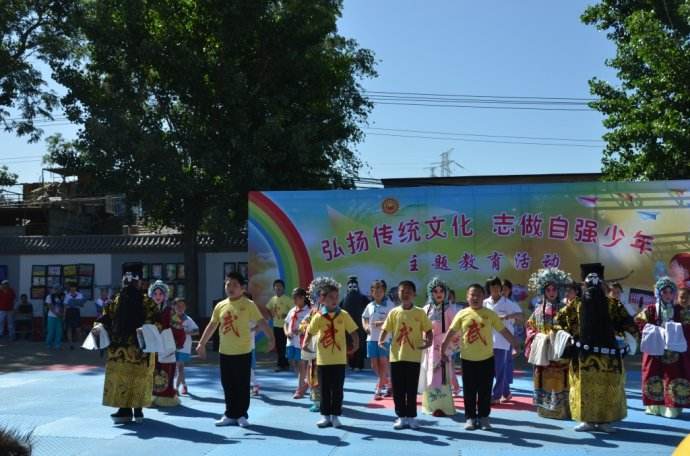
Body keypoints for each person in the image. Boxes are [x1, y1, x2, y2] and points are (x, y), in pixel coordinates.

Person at [556, 272, 638, 432]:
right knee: (583, 389)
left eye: (596, 286)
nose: (592, 289)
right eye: (589, 286)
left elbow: (628, 324)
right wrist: (567, 338)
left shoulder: (613, 304)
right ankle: (586, 420)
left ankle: (606, 421)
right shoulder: (576, 305)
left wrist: (627, 340)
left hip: (610, 357)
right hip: (583, 357)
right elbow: (559, 322)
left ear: (602, 287)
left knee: (609, 388)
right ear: (584, 287)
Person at [196, 272, 275, 428]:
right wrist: (201, 343)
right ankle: (229, 414)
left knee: (242, 384)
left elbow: (262, 321)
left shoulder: (248, 305)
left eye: (234, 285)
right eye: (228, 284)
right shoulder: (220, 305)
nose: (230, 288)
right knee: (228, 384)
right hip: (225, 352)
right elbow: (212, 325)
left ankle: (241, 414)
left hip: (243, 352)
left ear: (242, 288)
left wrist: (271, 338)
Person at [442, 284, 520, 431]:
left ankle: (484, 417)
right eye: (472, 295)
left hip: (486, 359)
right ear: (467, 297)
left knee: (485, 390)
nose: (475, 297)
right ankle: (470, 418)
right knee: (470, 391)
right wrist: (443, 350)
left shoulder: (490, 314)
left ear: (483, 297)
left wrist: (515, 344)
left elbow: (503, 331)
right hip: (467, 360)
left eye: (478, 294)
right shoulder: (462, 313)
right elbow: (451, 332)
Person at [94, 263, 160, 424]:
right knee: (128, 377)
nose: (129, 283)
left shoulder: (119, 300)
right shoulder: (129, 301)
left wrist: (100, 325)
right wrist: (99, 328)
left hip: (129, 348)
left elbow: (155, 322)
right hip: (127, 348)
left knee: (131, 377)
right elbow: (105, 319)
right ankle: (129, 410)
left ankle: (133, 410)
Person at [302, 277, 359, 428]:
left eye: (336, 297)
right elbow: (309, 332)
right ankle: (325, 415)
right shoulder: (319, 316)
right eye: (330, 297)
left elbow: (353, 331)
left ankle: (335, 416)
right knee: (324, 389)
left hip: (339, 360)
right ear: (323, 299)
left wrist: (356, 343)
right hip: (323, 360)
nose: (334, 300)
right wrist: (305, 344)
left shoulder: (343, 315)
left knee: (338, 389)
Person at [379, 280, 432, 430]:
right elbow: (385, 328)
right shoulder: (394, 312)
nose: (406, 294)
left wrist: (428, 342)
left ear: (414, 294)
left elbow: (428, 330)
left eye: (409, 291)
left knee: (411, 388)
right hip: (396, 357)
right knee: (398, 389)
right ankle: (401, 417)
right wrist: (381, 340)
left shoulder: (420, 312)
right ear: (398, 293)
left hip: (414, 356)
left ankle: (412, 417)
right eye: (403, 291)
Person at [635, 277, 689, 419]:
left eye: (671, 292)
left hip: (673, 352)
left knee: (672, 377)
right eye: (664, 292)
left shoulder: (679, 310)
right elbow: (639, 322)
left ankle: (672, 408)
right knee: (654, 376)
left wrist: (674, 329)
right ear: (659, 293)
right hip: (655, 350)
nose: (668, 295)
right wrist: (657, 331)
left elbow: (688, 326)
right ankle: (654, 407)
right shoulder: (651, 309)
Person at [525, 268, 573, 420]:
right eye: (548, 290)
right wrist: (538, 337)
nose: (551, 292)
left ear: (558, 291)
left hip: (560, 352)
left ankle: (562, 409)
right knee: (545, 378)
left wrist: (563, 339)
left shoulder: (566, 309)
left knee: (561, 379)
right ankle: (545, 409)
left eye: (554, 289)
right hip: (544, 351)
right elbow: (530, 326)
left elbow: (572, 327)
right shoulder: (538, 310)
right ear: (544, 291)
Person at [419, 277, 456, 417]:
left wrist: (450, 345)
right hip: (429, 347)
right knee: (429, 373)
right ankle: (430, 406)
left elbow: (456, 329)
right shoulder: (425, 309)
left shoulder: (450, 309)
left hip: (443, 346)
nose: (439, 293)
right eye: (435, 291)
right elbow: (421, 328)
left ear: (446, 292)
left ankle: (444, 407)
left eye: (441, 290)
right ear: (430, 293)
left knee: (443, 375)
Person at [483, 276, 523, 404]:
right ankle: (506, 392)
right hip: (486, 340)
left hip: (503, 340)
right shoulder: (484, 303)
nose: (495, 289)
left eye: (497, 286)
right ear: (488, 288)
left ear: (501, 288)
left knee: (499, 369)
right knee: (490, 369)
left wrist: (508, 316)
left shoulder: (508, 303)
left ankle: (496, 396)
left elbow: (521, 316)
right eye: (492, 286)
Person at [362, 279, 395, 400]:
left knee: (383, 362)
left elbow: (393, 320)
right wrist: (366, 326)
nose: (377, 293)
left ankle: (379, 389)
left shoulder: (390, 305)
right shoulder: (370, 305)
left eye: (380, 291)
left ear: (384, 291)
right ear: (371, 292)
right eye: (375, 291)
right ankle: (389, 383)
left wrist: (382, 323)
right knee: (374, 364)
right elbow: (364, 317)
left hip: (384, 338)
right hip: (371, 339)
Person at [148, 280, 180, 407]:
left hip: (166, 346)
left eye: (160, 294)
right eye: (155, 293)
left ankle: (165, 396)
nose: (157, 296)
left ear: (165, 295)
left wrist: (178, 341)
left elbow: (177, 327)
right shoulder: (147, 310)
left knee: (166, 370)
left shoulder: (169, 311)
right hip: (151, 346)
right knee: (151, 370)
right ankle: (151, 395)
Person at [284, 287, 311, 399]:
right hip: (291, 342)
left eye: (296, 298)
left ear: (303, 298)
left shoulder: (309, 311)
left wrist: (300, 330)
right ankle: (305, 381)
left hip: (301, 342)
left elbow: (311, 326)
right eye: (293, 298)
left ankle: (299, 389)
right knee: (293, 363)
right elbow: (285, 323)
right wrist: (286, 332)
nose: (294, 300)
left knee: (301, 365)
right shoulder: (292, 310)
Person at [170, 297, 198, 396]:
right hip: (172, 347)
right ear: (173, 307)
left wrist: (185, 332)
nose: (180, 308)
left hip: (184, 347)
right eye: (178, 306)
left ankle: (176, 388)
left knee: (180, 367)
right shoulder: (170, 319)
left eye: (182, 306)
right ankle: (184, 385)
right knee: (176, 368)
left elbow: (196, 330)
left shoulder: (188, 320)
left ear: (185, 307)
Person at [340, 276, 369, 371]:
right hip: (347, 327)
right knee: (348, 344)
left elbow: (369, 308)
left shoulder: (363, 298)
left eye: (354, 286)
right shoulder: (344, 299)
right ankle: (349, 363)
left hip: (360, 326)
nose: (352, 288)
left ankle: (358, 364)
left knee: (359, 344)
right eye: (350, 286)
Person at [266, 279, 292, 371]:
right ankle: (281, 364)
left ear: (283, 288)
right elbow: (268, 308)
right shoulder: (273, 299)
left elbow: (293, 311)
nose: (278, 288)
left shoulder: (287, 299)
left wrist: (287, 315)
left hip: (285, 327)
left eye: (280, 286)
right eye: (276, 286)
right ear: (274, 288)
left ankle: (284, 364)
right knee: (278, 346)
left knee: (284, 345)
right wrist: (271, 316)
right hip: (276, 326)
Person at [63, 283, 84, 349]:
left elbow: (82, 305)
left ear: (76, 288)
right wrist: (64, 314)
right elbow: (65, 305)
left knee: (78, 329)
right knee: (69, 328)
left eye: (74, 287)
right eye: (71, 287)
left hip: (76, 311)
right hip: (69, 312)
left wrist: (76, 302)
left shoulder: (80, 295)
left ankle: (81, 344)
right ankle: (71, 344)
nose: (72, 289)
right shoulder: (67, 295)